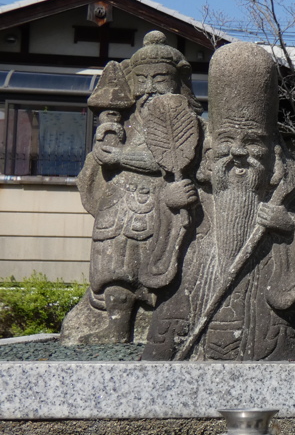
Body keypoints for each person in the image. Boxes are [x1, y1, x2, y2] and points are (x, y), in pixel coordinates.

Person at [143, 42, 295, 361]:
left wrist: (287, 225)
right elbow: (162, 219)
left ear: (272, 149)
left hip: (262, 278)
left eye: (252, 142)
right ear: (210, 148)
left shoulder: (288, 183)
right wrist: (170, 203)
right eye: (227, 141)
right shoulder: (191, 173)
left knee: (277, 344)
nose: (238, 152)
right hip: (200, 275)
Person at [63, 31, 200, 344]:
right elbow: (93, 171)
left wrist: (120, 156)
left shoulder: (185, 120)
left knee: (157, 264)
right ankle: (117, 325)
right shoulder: (123, 125)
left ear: (178, 81)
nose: (150, 88)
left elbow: (168, 158)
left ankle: (162, 325)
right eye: (143, 79)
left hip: (159, 206)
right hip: (118, 206)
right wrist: (99, 157)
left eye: (160, 78)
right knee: (115, 262)